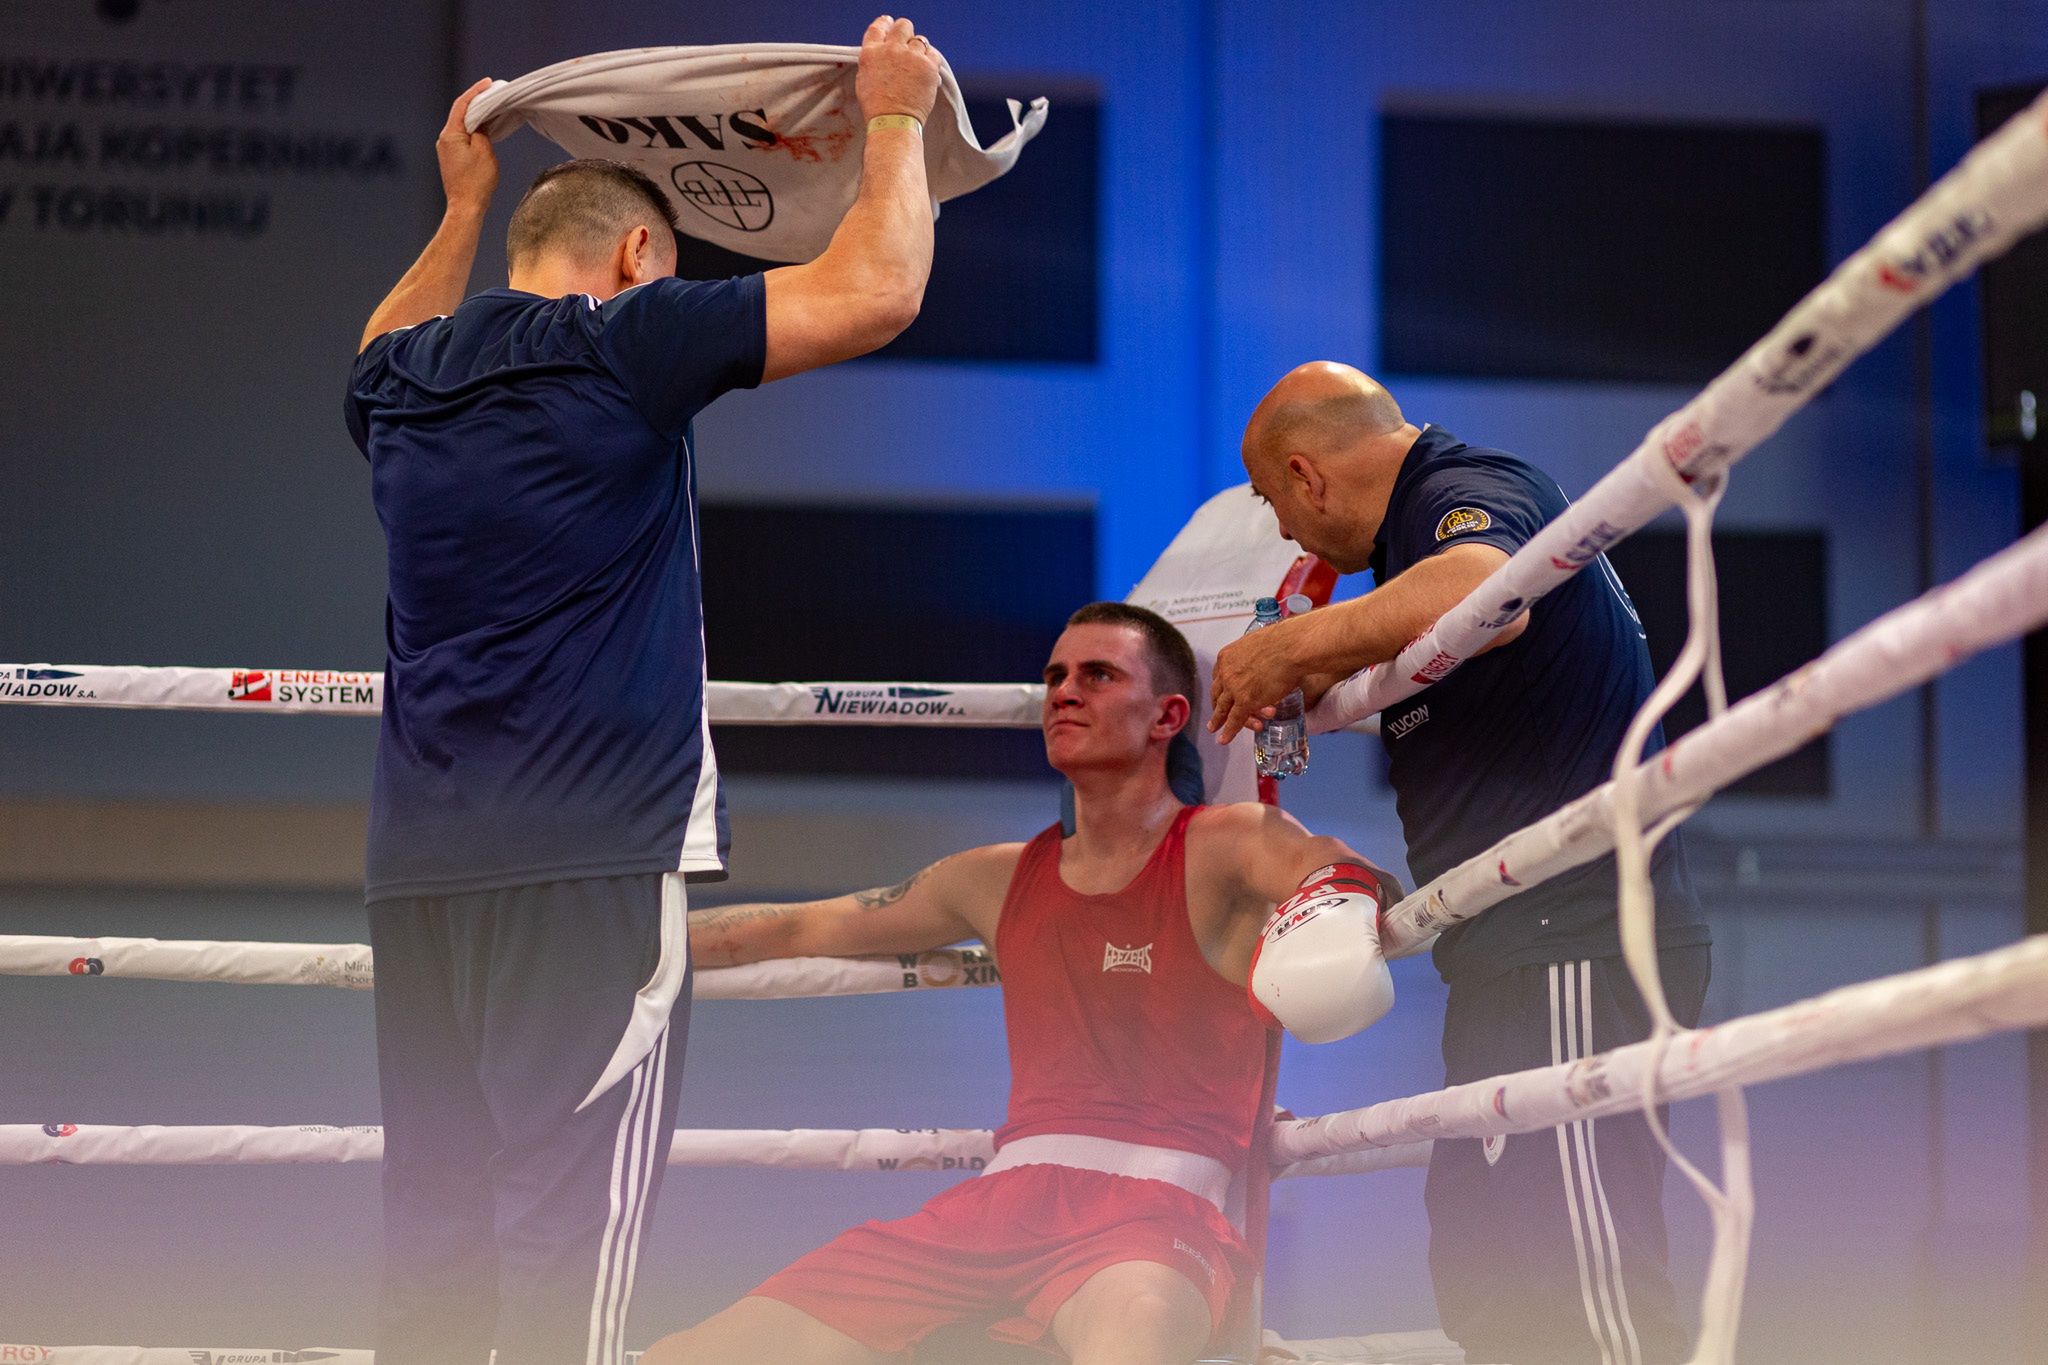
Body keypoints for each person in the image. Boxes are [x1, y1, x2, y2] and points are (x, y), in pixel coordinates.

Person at [341, 18, 945, 1364]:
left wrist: (462, 208)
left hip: (422, 872)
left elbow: (381, 334)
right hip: (586, 861)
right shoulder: (623, 341)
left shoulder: (403, 383)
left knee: (432, 1233)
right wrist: (897, 117)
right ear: (636, 259)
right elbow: (878, 292)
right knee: (570, 1252)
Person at [641, 602, 1402, 1365]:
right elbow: (798, 928)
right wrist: (604, 950)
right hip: (992, 1208)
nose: (1065, 692)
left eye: (1098, 675)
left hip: (1153, 1219)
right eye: (1055, 676)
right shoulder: (994, 876)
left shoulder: (1226, 843)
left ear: (1169, 714)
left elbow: (1344, 874)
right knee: (693, 1354)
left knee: (1133, 1345)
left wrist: (1341, 910)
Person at [1209, 362, 1713, 1365]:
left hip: (1569, 932)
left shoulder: (1457, 486)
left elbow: (1491, 592)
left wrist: (1294, 644)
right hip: (1504, 951)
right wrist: (1310, 665)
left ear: (1306, 475)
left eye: (1273, 503)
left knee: (1581, 1277)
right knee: (1487, 1275)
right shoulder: (1406, 547)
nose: (1281, 532)